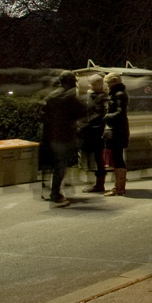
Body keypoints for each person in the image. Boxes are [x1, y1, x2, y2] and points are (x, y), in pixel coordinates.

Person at [40, 71, 86, 205]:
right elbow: (82, 111)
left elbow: (41, 114)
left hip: (49, 134)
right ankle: (55, 194)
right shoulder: (69, 96)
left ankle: (46, 189)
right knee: (61, 164)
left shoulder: (51, 96)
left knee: (50, 164)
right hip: (63, 135)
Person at [78, 74, 109, 193]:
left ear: (98, 84)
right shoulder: (94, 96)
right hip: (91, 131)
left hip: (94, 132)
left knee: (96, 158)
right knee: (94, 158)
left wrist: (85, 124)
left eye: (91, 83)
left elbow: (98, 114)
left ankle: (98, 183)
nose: (89, 85)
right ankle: (96, 183)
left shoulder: (101, 97)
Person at [103, 73, 131, 196]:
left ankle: (119, 187)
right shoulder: (119, 94)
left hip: (118, 130)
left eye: (108, 83)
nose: (108, 86)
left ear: (114, 81)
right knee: (117, 157)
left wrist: (105, 116)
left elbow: (120, 113)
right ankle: (119, 186)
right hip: (119, 129)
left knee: (117, 158)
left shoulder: (119, 95)